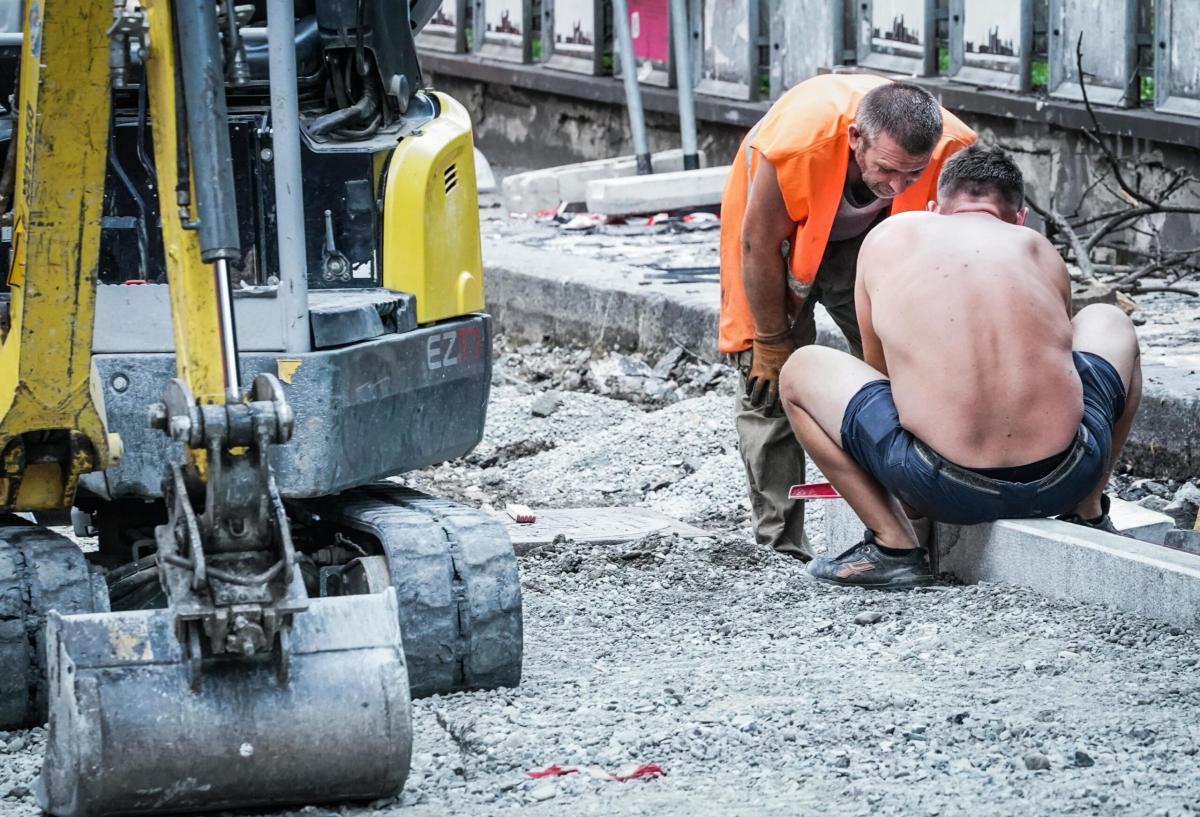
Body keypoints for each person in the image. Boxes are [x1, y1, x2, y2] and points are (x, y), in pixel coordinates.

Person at [778, 145, 1142, 589]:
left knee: (800, 369)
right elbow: (1057, 359)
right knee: (1109, 320)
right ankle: (1088, 512)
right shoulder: (1038, 248)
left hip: (940, 485)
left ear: (935, 209)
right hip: (1065, 476)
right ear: (1019, 217)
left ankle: (893, 545)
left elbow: (881, 375)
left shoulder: (891, 236)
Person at [719, 73, 976, 561]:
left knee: (909, 373)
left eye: (912, 174)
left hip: (872, 244)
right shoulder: (796, 147)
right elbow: (758, 244)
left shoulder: (953, 151)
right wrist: (772, 342)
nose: (897, 185)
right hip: (781, 240)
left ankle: (906, 519)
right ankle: (781, 545)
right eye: (886, 170)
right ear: (856, 138)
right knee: (767, 387)